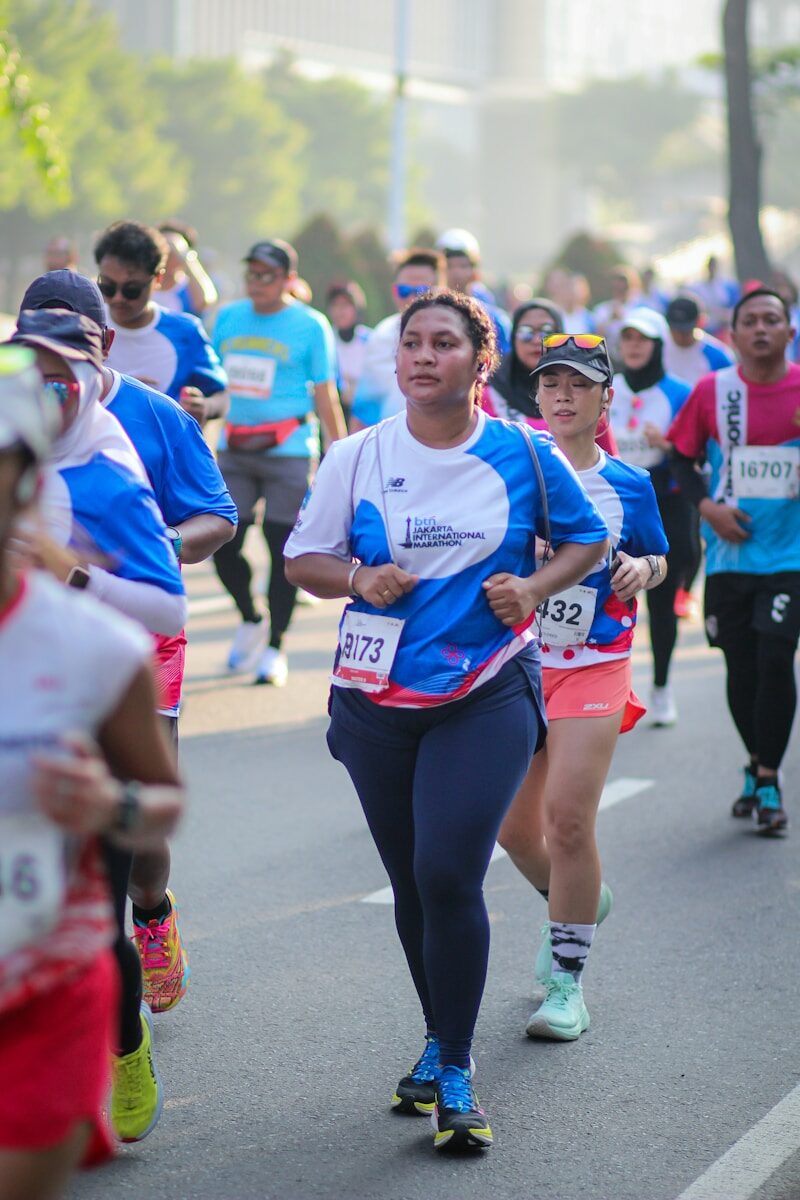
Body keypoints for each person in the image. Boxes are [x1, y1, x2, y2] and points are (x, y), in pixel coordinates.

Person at [284, 291, 609, 1150]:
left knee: (447, 872)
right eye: (411, 344)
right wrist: (356, 578)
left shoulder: (526, 452)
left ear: (480, 361)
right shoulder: (356, 456)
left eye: (443, 343)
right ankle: (438, 1035)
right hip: (375, 700)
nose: (423, 356)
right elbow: (302, 560)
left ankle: (458, 1070)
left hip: (486, 690)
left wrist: (533, 589)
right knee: (411, 882)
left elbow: (587, 541)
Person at [17, 271, 237, 1027]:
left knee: (136, 837)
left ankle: (151, 909)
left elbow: (218, 516)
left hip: (137, 642)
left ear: (104, 343)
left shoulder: (152, 416)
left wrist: (151, 543)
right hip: (32, 643)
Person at [0, 345, 184, 1200]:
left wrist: (112, 803)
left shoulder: (94, 646)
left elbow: (162, 803)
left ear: (26, 482)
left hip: (43, 979)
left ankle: (127, 1042)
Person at [497, 333, 668, 1041]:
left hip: (594, 662)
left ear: (605, 399)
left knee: (568, 819)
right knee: (514, 831)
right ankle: (578, 899)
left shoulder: (629, 483)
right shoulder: (508, 471)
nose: (564, 396)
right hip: (514, 663)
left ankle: (566, 983)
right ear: (536, 396)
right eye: (552, 384)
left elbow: (658, 555)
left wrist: (644, 571)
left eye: (579, 385)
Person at [669, 288, 800, 834]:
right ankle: (755, 760)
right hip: (728, 553)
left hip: (790, 555)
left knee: (776, 659)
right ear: (735, 333)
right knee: (741, 666)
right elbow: (681, 457)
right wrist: (708, 509)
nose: (762, 328)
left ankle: (768, 779)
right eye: (751, 321)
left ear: (790, 331)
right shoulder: (713, 391)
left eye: (772, 319)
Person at [212, 239, 346, 686]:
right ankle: (251, 617)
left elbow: (325, 393)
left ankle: (275, 646)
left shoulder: (310, 324)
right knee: (223, 539)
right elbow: (210, 378)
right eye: (252, 274)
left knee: (281, 547)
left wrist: (340, 455)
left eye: (267, 275)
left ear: (288, 279)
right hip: (234, 446)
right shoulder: (229, 317)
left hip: (289, 448)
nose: (257, 283)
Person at [608, 307, 692, 726]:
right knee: (610, 594)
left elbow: (695, 451)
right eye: (628, 338)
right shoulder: (606, 387)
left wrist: (669, 445)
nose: (634, 346)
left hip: (665, 501)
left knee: (660, 599)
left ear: (657, 346)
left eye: (642, 339)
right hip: (614, 502)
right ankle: (614, 688)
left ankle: (661, 686)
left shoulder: (679, 392)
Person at [95, 220, 228, 425]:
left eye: (132, 290)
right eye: (108, 287)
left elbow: (221, 396)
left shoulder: (185, 332)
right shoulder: (85, 325)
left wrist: (204, 407)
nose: (118, 298)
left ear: (157, 279)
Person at [482, 299, 619, 455]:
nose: (536, 340)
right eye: (526, 332)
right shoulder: (487, 396)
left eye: (547, 332)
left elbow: (611, 460)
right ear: (513, 337)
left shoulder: (587, 396)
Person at [350, 249, 444, 431]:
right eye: (404, 291)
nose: (412, 298)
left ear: (442, 291)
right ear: (394, 292)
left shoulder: (456, 336)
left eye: (422, 291)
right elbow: (363, 411)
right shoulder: (381, 337)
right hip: (390, 442)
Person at [435, 228, 511, 353]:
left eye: (463, 266)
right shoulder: (429, 311)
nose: (456, 272)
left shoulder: (494, 318)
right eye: (449, 266)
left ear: (474, 270)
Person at [663, 295, 736, 387]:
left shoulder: (719, 356)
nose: (680, 335)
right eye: (675, 329)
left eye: (686, 330)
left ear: (700, 322)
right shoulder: (656, 348)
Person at [326, 281, 371, 421]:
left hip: (365, 412)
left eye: (345, 305)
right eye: (335, 305)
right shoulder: (326, 340)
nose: (340, 311)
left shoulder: (370, 340)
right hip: (335, 410)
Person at [156, 220, 219, 318]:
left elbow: (205, 302)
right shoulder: (145, 285)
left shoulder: (190, 287)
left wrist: (184, 253)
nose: (166, 257)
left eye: (172, 252)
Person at [592, 266, 641, 360]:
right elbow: (594, 341)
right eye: (616, 285)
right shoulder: (601, 309)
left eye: (624, 284)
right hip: (608, 359)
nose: (620, 287)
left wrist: (623, 318)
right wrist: (609, 320)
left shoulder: (639, 309)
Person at [691, 255, 739, 340]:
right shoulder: (699, 287)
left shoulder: (727, 285)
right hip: (708, 328)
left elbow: (735, 307)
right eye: (710, 266)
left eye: (714, 266)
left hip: (724, 328)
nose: (712, 269)